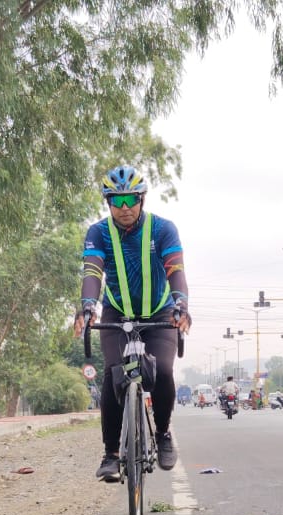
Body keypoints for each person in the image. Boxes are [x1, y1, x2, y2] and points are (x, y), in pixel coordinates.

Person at [74, 165, 191, 482]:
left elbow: (175, 270)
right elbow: (92, 272)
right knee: (114, 374)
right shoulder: (98, 232)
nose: (124, 208)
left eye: (131, 200)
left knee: (162, 370)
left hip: (159, 313)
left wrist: (181, 304)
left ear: (142, 199)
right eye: (117, 201)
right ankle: (111, 454)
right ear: (108, 202)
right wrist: (88, 307)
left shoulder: (162, 229)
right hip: (117, 313)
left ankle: (163, 433)